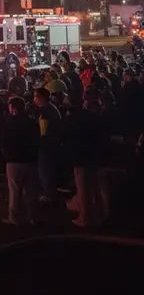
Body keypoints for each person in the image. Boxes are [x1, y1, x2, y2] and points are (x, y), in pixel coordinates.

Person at [67, 89, 107, 227]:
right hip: (93, 157)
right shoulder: (95, 118)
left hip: (82, 157)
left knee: (83, 189)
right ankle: (100, 214)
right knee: (94, 188)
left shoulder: (80, 119)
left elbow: (73, 136)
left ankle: (85, 217)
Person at [2, 96, 40, 225]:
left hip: (14, 160)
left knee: (14, 190)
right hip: (30, 160)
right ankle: (32, 216)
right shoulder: (32, 122)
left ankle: (14, 216)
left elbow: (4, 142)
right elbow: (37, 139)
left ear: (13, 108)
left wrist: (6, 155)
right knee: (31, 190)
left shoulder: (9, 123)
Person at [32, 87, 63, 203]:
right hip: (51, 144)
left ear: (40, 98)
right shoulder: (51, 109)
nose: (34, 99)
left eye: (35, 96)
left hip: (46, 146)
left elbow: (43, 131)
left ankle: (49, 194)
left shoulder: (44, 112)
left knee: (45, 171)